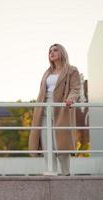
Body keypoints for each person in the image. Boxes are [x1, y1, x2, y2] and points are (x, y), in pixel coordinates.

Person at [29, 43, 81, 175]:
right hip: (43, 108)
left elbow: (75, 89)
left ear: (62, 52)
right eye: (50, 51)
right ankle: (50, 172)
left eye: (55, 50)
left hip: (61, 107)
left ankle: (66, 173)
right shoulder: (47, 72)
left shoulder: (71, 70)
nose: (51, 52)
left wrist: (71, 99)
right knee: (47, 143)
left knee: (61, 143)